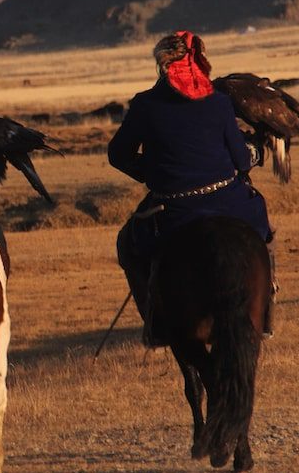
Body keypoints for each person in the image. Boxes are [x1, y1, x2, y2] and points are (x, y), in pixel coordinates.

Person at [108, 31, 274, 344]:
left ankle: (156, 323)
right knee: (260, 233)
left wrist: (151, 172)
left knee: (128, 245)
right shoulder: (220, 102)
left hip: (174, 209)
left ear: (161, 66)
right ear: (197, 61)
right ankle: (265, 312)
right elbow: (240, 160)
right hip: (230, 200)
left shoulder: (144, 105)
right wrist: (252, 153)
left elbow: (117, 155)